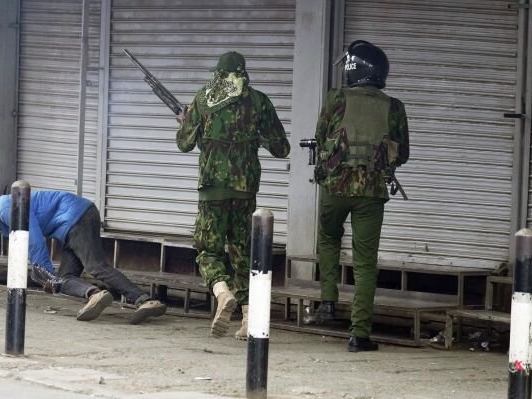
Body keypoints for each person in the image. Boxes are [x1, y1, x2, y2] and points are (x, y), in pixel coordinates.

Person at [175, 51, 290, 339]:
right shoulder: (259, 101)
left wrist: (186, 121)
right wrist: (254, 137)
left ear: (218, 73)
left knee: (208, 250)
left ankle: (222, 292)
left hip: (212, 189)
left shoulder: (203, 98)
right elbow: (282, 148)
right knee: (243, 252)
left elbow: (184, 144)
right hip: (245, 190)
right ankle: (250, 319)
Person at [311, 40, 409, 352]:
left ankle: (327, 302)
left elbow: (319, 137)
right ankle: (359, 335)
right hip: (371, 193)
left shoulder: (335, 99)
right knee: (365, 263)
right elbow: (403, 154)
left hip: (335, 188)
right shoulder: (394, 107)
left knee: (328, 238)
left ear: (353, 70)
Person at [0, 191, 167, 324]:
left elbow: (33, 238)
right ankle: (95, 294)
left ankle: (145, 300)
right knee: (66, 277)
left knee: (94, 266)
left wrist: (45, 272)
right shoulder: (0, 218)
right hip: (70, 225)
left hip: (76, 217)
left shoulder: (6, 207)